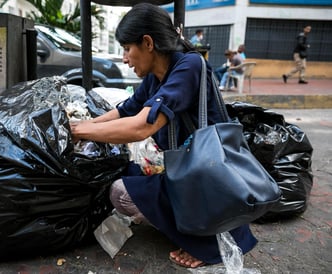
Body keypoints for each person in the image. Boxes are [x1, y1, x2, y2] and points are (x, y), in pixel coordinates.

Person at [70, 3, 257, 269]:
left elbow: (140, 127)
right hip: (188, 171)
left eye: (126, 49)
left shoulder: (189, 65)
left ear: (147, 42)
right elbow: (125, 111)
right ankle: (187, 225)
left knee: (122, 193)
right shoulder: (156, 76)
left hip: (212, 174)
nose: (125, 58)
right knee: (121, 184)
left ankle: (208, 245)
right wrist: (82, 126)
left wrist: (78, 131)